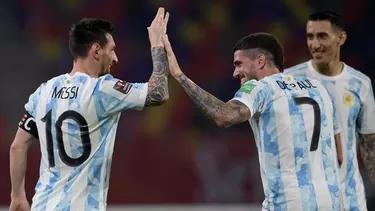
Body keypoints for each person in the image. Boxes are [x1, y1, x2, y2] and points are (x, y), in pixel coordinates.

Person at [9, 7, 170, 211]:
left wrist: (17, 196)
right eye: (111, 49)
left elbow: (17, 146)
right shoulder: (102, 90)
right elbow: (159, 93)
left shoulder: (43, 92)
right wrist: (157, 43)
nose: (115, 58)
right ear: (96, 50)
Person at [162, 32, 343, 210]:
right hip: (332, 200)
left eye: (239, 64)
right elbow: (339, 155)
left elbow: (224, 115)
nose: (235, 73)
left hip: (288, 202)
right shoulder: (318, 88)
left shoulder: (261, 88)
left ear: (260, 60)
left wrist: (179, 75)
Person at [284, 10, 375, 211]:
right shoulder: (289, 81)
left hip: (350, 198)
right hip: (308, 199)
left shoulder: (360, 84)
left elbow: (370, 147)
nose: (315, 44)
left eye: (322, 36)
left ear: (341, 38)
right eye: (310, 37)